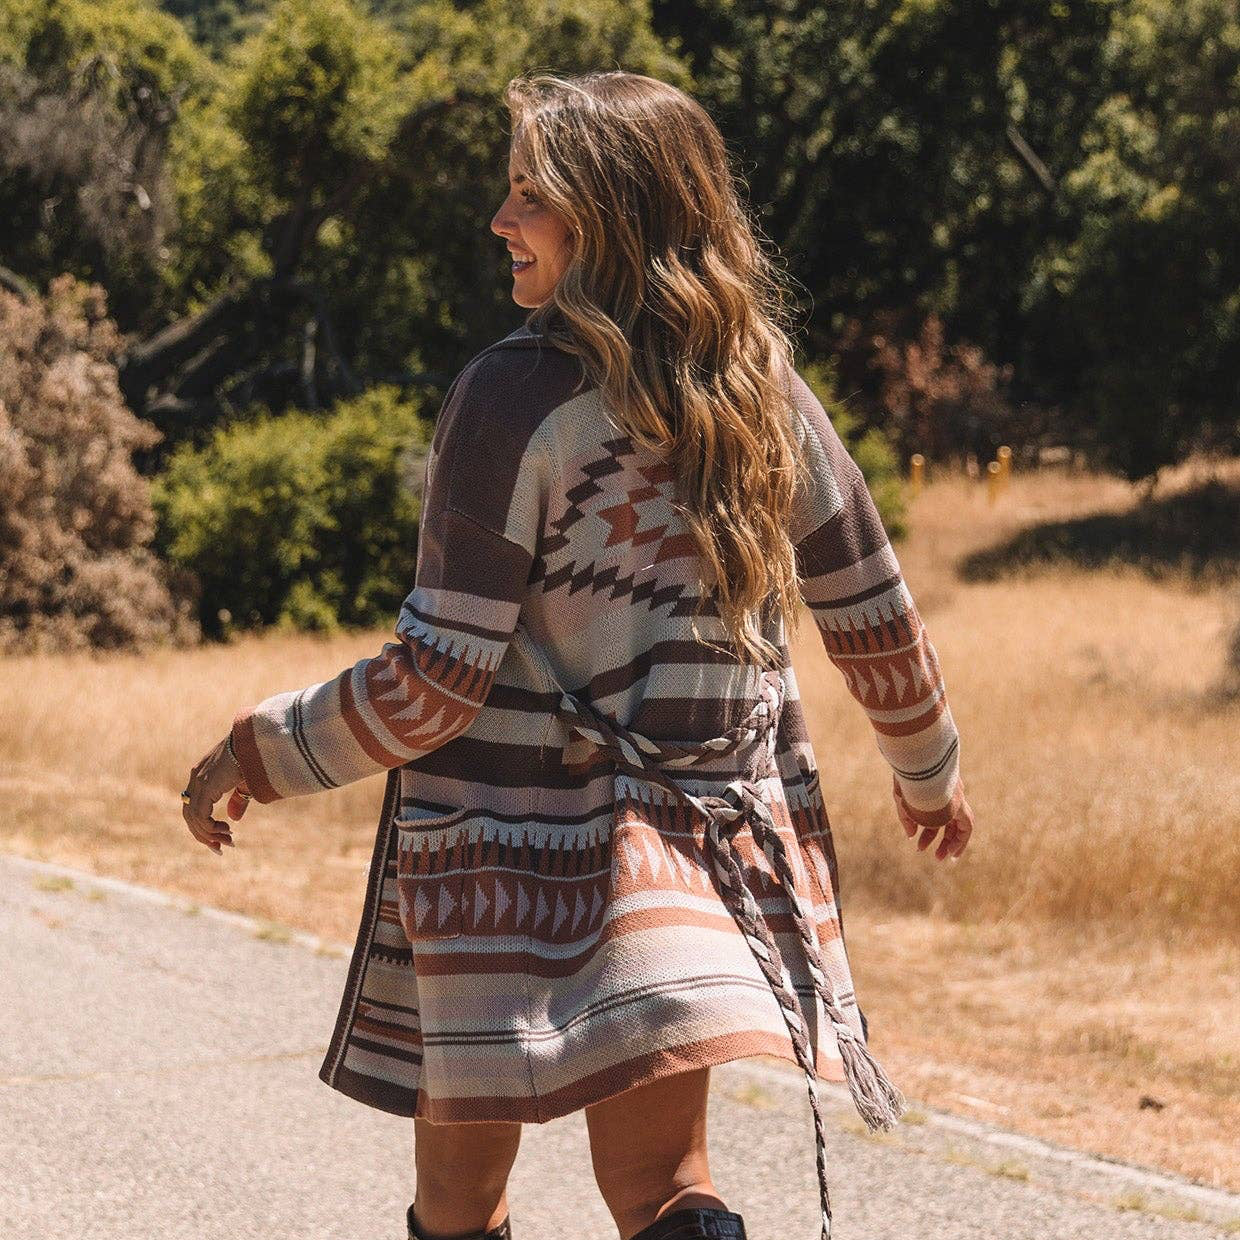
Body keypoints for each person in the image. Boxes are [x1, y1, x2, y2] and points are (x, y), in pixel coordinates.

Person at [180, 70, 974, 1240]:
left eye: (529, 197)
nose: (502, 222)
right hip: (690, 855)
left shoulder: (512, 398)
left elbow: (436, 682)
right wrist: (929, 771)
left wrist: (260, 746)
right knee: (665, 1195)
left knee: (457, 1209)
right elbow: (873, 609)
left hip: (493, 865)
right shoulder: (765, 395)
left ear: (614, 215)